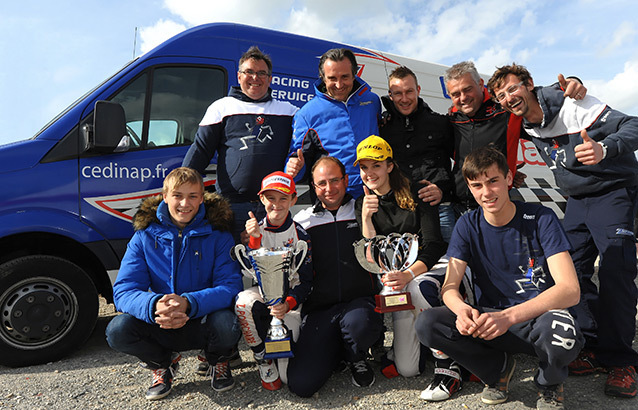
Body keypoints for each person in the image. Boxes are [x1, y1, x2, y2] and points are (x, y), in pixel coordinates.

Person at [488, 63, 638, 399]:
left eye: (513, 89)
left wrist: (605, 148)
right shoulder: (524, 124)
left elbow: (634, 126)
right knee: (567, 273)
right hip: (576, 201)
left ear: (528, 85)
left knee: (616, 271)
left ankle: (621, 362)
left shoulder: (573, 102)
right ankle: (593, 343)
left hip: (612, 191)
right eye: (501, 96)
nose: (509, 98)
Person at [416, 147, 583, 408]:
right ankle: (497, 371)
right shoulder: (467, 224)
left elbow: (570, 290)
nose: (486, 192)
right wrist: (461, 311)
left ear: (508, 178)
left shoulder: (540, 218)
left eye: (493, 181)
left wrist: (508, 317)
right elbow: (450, 285)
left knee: (562, 333)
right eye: (477, 185)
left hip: (535, 320)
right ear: (469, 188)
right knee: (427, 323)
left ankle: (549, 383)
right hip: (489, 321)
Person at [105, 167, 243, 400]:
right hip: (162, 320)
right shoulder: (144, 236)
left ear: (201, 198)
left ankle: (216, 358)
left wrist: (189, 303)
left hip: (202, 317)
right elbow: (123, 290)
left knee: (227, 324)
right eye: (177, 195)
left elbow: (230, 287)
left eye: (192, 196)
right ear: (165, 196)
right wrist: (155, 304)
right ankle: (161, 363)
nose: (184, 204)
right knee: (117, 331)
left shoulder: (219, 234)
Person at [287, 156, 384, 397]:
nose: (329, 189)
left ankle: (355, 354)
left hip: (361, 303)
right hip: (320, 309)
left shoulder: (362, 209)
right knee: (301, 385)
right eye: (322, 183)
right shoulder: (302, 221)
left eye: (335, 181)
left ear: (346, 180)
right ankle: (338, 351)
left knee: (357, 325)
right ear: (313, 185)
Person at [182, 46, 298, 243]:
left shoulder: (288, 111)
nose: (255, 77)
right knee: (231, 267)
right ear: (239, 76)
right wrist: (180, 190)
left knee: (270, 267)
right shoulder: (221, 107)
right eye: (249, 72)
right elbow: (200, 152)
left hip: (273, 207)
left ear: (270, 79)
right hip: (231, 206)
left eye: (262, 73)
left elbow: (311, 137)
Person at [354, 135, 447, 380]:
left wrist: (407, 274)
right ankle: (419, 344)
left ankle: (450, 355)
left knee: (416, 289)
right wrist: (365, 219)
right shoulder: (361, 202)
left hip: (427, 270)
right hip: (396, 282)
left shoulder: (418, 191)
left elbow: (435, 245)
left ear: (390, 165)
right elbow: (370, 257)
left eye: (376, 165)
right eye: (364, 167)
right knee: (408, 369)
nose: (369, 173)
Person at [445, 61, 587, 216]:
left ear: (480, 84)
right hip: (457, 207)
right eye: (456, 94)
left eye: (467, 89)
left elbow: (537, 98)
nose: (463, 98)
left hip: (497, 203)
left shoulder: (505, 109)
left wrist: (573, 82)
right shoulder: (452, 119)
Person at [234, 171, 313, 391]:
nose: (276, 204)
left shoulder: (301, 235)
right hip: (263, 294)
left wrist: (288, 303)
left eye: (283, 198)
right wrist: (254, 240)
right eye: (271, 198)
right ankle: (261, 357)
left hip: (290, 305)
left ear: (293, 200)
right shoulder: (255, 230)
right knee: (242, 302)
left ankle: (282, 352)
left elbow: (306, 282)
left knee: (287, 377)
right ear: (261, 199)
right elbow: (250, 272)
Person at [285, 48, 381, 199]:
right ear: (323, 77)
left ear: (355, 74)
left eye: (345, 77)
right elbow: (296, 164)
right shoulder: (306, 114)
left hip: (375, 191)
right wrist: (292, 168)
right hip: (336, 198)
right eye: (332, 78)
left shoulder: (372, 101)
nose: (339, 84)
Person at [380, 65, 455, 242]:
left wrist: (444, 190)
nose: (404, 98)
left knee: (450, 266)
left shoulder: (440, 123)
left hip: (440, 211)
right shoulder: (383, 129)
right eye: (398, 93)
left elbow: (464, 164)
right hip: (402, 212)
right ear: (390, 95)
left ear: (418, 90)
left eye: (409, 91)